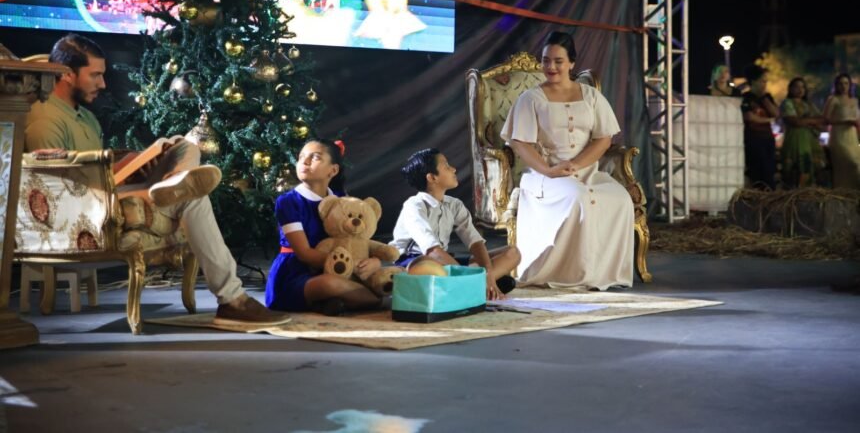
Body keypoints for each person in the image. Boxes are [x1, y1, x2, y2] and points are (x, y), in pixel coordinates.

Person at [24, 33, 291, 327]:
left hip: (110, 188)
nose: (103, 83)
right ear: (65, 74)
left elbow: (97, 166)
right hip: (89, 206)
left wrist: (140, 161)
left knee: (185, 144)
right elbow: (56, 187)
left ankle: (174, 180)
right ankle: (233, 299)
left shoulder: (85, 117)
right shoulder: (44, 117)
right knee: (192, 197)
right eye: (95, 75)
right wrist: (120, 169)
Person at [499, 31, 634, 290]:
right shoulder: (531, 99)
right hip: (544, 175)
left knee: (620, 199)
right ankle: (571, 274)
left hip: (587, 172)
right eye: (546, 60)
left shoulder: (591, 96)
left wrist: (578, 165)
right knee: (578, 198)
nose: (551, 67)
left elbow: (603, 139)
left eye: (558, 61)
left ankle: (605, 273)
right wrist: (549, 170)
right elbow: (519, 142)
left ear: (571, 63)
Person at [265, 139, 386, 315]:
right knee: (330, 284)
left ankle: (331, 303)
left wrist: (373, 261)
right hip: (296, 272)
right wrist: (351, 264)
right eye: (301, 157)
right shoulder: (288, 202)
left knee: (380, 274)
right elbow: (304, 253)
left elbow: (357, 239)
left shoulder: (341, 199)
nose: (304, 162)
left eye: (314, 158)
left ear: (333, 170)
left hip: (342, 267)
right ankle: (379, 301)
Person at [389, 148, 521, 301]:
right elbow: (432, 252)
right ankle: (472, 285)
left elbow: (475, 242)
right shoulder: (414, 206)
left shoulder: (454, 205)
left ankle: (473, 285)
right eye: (446, 166)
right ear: (432, 177)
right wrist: (468, 273)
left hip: (445, 264)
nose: (454, 169)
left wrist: (488, 274)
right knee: (428, 265)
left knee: (512, 253)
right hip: (414, 262)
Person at [779, 77, 827, 188]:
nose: (800, 89)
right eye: (796, 87)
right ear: (790, 89)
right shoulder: (787, 103)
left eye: (802, 87)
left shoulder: (808, 105)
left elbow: (822, 121)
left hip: (809, 142)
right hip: (794, 141)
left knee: (809, 170)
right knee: (793, 172)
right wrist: (811, 121)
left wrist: (805, 121)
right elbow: (794, 121)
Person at [740, 64, 779, 190]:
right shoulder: (745, 98)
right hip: (753, 140)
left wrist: (765, 100)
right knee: (759, 173)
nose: (765, 84)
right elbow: (749, 117)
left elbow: (776, 113)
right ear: (753, 82)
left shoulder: (766, 98)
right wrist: (768, 119)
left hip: (768, 139)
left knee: (770, 171)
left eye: (765, 81)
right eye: (762, 81)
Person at [823, 73, 860, 189]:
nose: (843, 86)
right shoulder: (833, 99)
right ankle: (841, 190)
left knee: (856, 164)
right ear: (836, 86)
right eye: (840, 84)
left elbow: (857, 119)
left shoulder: (854, 100)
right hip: (839, 137)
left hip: (853, 138)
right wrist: (844, 122)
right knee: (849, 163)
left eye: (846, 83)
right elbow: (825, 119)